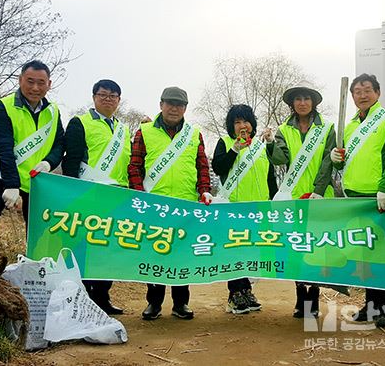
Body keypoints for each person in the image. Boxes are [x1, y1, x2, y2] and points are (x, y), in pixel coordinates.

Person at [128, 86, 213, 320]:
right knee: (155, 254)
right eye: (170, 103)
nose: (174, 108)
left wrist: (204, 191)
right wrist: (139, 195)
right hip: (155, 205)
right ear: (161, 104)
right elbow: (135, 166)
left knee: (182, 255)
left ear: (185, 108)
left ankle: (180, 304)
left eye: (179, 104)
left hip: (186, 205)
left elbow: (202, 166)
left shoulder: (195, 133)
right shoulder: (144, 131)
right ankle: (154, 303)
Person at [0, 60, 63, 257]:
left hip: (38, 180)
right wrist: (12, 184)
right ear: (20, 80)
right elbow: (3, 148)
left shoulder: (53, 111)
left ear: (49, 84)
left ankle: (36, 268)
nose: (35, 88)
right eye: (30, 81)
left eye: (41, 82)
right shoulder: (4, 106)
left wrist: (48, 163)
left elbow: (59, 144)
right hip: (6, 174)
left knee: (40, 227)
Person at [330, 74, 385, 327]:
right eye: (357, 92)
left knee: (382, 252)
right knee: (364, 253)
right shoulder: (349, 126)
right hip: (354, 196)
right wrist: (337, 158)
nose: (362, 95)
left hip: (378, 197)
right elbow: (344, 159)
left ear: (378, 93)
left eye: (367, 90)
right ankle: (372, 304)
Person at [263, 85, 336, 318]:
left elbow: (328, 160)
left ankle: (312, 300)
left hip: (320, 195)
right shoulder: (284, 129)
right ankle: (299, 297)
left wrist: (319, 190)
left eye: (307, 99)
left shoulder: (327, 128)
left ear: (313, 102)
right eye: (298, 99)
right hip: (293, 196)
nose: (302, 103)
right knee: (296, 246)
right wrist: (270, 143)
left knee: (314, 246)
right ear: (292, 104)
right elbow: (280, 159)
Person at [62, 79, 130, 315]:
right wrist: (73, 192)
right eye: (103, 95)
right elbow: (71, 160)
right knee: (85, 246)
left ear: (119, 100)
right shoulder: (80, 122)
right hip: (88, 193)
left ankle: (102, 297)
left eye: (113, 96)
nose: (108, 99)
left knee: (108, 248)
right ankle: (84, 296)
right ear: (94, 97)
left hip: (117, 195)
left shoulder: (123, 129)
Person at [211, 104, 278, 314]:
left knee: (251, 250)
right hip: (233, 208)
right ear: (231, 126)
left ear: (252, 124)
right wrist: (234, 150)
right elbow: (218, 167)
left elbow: (270, 177)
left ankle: (247, 291)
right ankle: (234, 294)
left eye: (246, 121)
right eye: (237, 122)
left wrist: (275, 202)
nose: (242, 126)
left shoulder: (260, 147)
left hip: (258, 209)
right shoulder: (225, 143)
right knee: (234, 250)